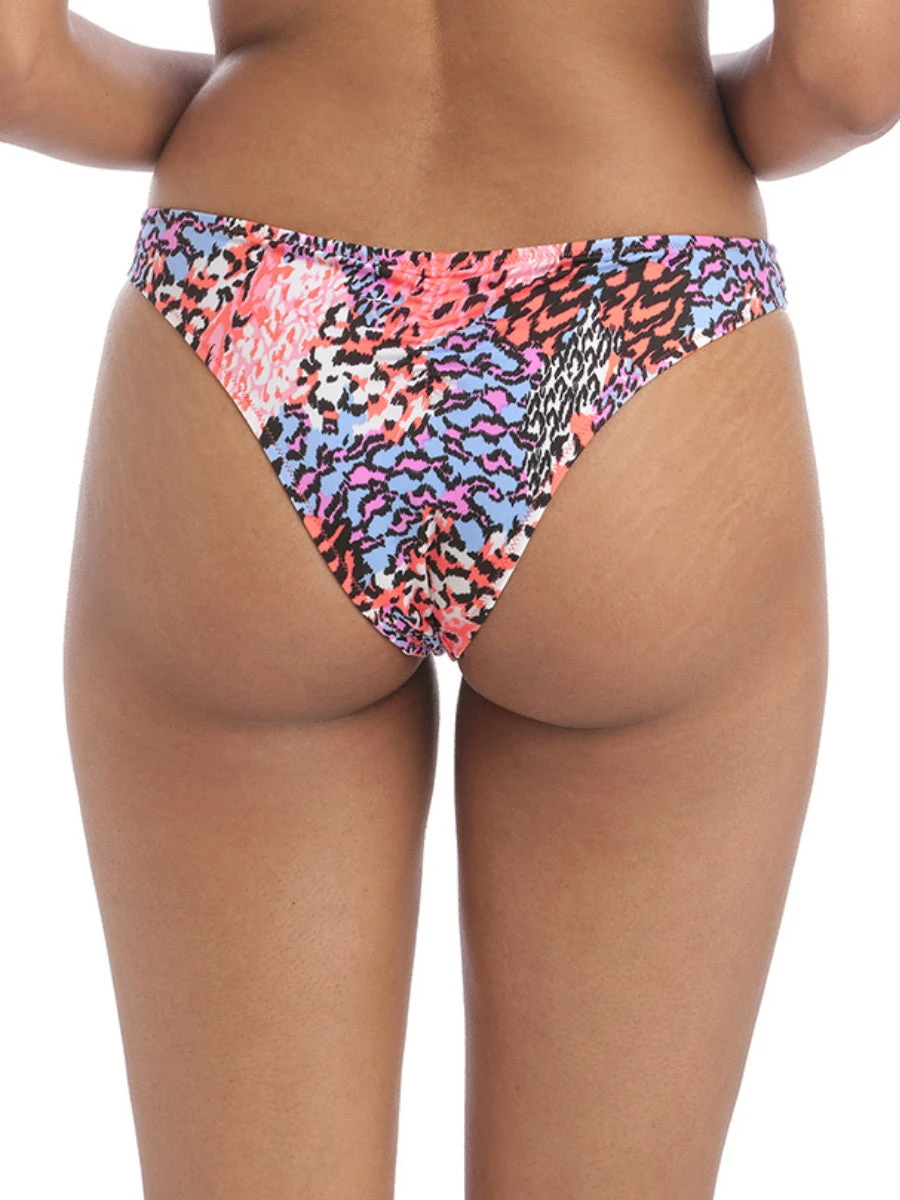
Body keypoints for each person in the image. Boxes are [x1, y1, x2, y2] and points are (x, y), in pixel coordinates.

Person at [2, 3, 897, 1197]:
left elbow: (15, 61)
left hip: (258, 304)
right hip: (634, 304)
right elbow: (847, 76)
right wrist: (701, 108)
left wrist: (236, 96)